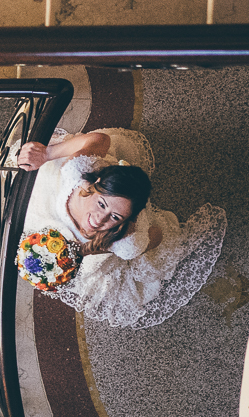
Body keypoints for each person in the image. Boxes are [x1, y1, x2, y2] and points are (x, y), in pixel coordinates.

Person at [14, 126, 227, 329]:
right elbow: (100, 140)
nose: (99, 220)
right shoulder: (76, 171)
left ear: (126, 220)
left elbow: (158, 237)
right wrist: (47, 154)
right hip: (50, 198)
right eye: (101, 204)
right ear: (94, 185)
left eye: (114, 217)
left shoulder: (127, 243)